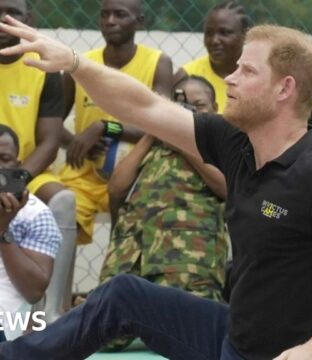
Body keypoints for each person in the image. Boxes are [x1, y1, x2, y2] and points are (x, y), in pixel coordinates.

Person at [2, 16, 312, 360]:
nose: (230, 79)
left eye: (247, 71)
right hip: (237, 337)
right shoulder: (237, 144)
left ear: (285, 88)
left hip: (285, 355)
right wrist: (75, 62)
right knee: (124, 294)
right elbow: (142, 106)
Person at [100, 75, 228, 350]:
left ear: (215, 108)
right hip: (135, 255)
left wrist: (187, 141)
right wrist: (155, 130)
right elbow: (116, 187)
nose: (189, 111)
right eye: (180, 106)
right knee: (105, 334)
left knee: (189, 330)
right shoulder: (154, 144)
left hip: (185, 259)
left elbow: (227, 187)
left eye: (199, 105)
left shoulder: (220, 144)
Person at [59, 0, 173, 245]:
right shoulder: (79, 64)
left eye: (120, 15)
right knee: (61, 216)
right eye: (105, 14)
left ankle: (118, 277)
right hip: (83, 177)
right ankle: (57, 285)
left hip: (137, 177)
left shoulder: (158, 63)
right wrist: (78, 144)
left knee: (128, 239)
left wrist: (105, 127)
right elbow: (50, 126)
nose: (110, 21)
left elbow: (164, 126)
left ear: (139, 21)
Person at [0, 0, 76, 323]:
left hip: (25, 169)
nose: (3, 19)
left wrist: (16, 179)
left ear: (29, 19)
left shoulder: (43, 68)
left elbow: (50, 140)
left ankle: (52, 314)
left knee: (63, 199)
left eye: (12, 12)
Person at [0, 124, 62, 342]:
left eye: (3, 158)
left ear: (17, 166)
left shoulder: (35, 215)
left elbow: (33, 290)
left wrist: (2, 230)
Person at [173, 1, 249, 113]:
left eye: (224, 33)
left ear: (245, 35)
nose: (214, 40)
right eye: (209, 33)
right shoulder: (186, 75)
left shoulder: (258, 76)